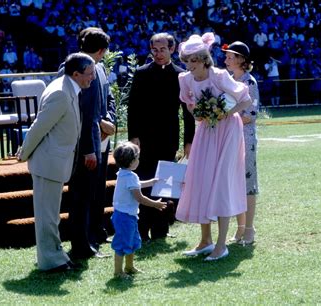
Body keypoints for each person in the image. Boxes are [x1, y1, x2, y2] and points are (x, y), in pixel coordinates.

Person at [16, 53, 96, 272]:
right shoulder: (61, 92)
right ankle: (51, 262)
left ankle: (57, 255)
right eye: (89, 74)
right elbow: (39, 126)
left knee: (51, 216)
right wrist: (23, 153)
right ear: (76, 74)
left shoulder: (67, 87)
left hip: (56, 162)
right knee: (47, 217)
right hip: (48, 163)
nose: (92, 78)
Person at [176, 33, 252, 261]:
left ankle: (221, 244)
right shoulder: (186, 79)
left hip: (228, 131)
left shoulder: (218, 75)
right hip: (206, 131)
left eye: (194, 60)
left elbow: (245, 100)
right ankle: (205, 240)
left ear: (203, 58)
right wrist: (199, 111)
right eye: (187, 60)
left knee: (221, 182)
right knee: (201, 179)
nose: (190, 65)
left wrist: (223, 113)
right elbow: (189, 105)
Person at [127, 32, 195, 241]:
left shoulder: (181, 75)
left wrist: (188, 141)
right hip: (144, 139)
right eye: (154, 50)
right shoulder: (141, 73)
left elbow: (187, 111)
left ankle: (161, 228)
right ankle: (142, 228)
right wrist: (134, 136)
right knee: (145, 182)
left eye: (163, 49)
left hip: (169, 137)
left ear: (172, 50)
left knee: (165, 184)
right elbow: (133, 108)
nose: (158, 54)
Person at [60, 27, 116, 260]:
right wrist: (88, 148)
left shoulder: (101, 68)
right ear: (102, 50)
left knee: (95, 192)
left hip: (101, 139)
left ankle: (94, 234)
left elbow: (109, 98)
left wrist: (109, 120)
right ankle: (81, 245)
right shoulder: (71, 68)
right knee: (81, 195)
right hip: (85, 144)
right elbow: (78, 113)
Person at [111, 142, 167, 278]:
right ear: (131, 162)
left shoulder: (123, 174)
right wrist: (155, 204)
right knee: (122, 243)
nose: (138, 160)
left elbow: (137, 184)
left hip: (125, 215)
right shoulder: (130, 176)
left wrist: (151, 181)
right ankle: (118, 272)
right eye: (137, 158)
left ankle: (129, 267)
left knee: (131, 241)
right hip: (125, 217)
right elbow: (139, 198)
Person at [223, 41, 259, 245]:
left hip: (245, 137)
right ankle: (239, 228)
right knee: (234, 184)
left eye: (230, 56)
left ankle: (249, 228)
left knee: (248, 183)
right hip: (230, 136)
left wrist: (224, 117)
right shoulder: (227, 80)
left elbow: (250, 114)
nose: (226, 59)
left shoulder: (249, 82)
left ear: (241, 60)